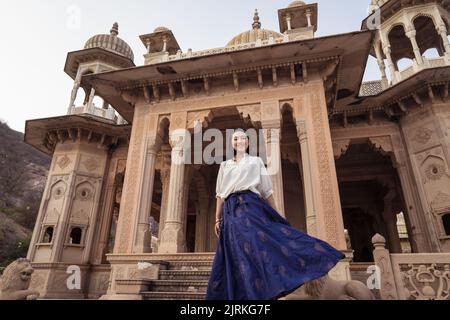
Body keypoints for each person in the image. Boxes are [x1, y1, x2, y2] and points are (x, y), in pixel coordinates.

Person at [206, 129, 345, 300]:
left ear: (247, 143)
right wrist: (217, 218)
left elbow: (267, 191)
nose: (239, 141)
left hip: (250, 206)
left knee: (258, 242)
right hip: (229, 211)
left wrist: (277, 214)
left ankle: (264, 288)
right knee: (235, 252)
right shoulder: (225, 165)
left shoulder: (256, 162)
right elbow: (220, 194)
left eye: (242, 139)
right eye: (235, 139)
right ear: (232, 143)